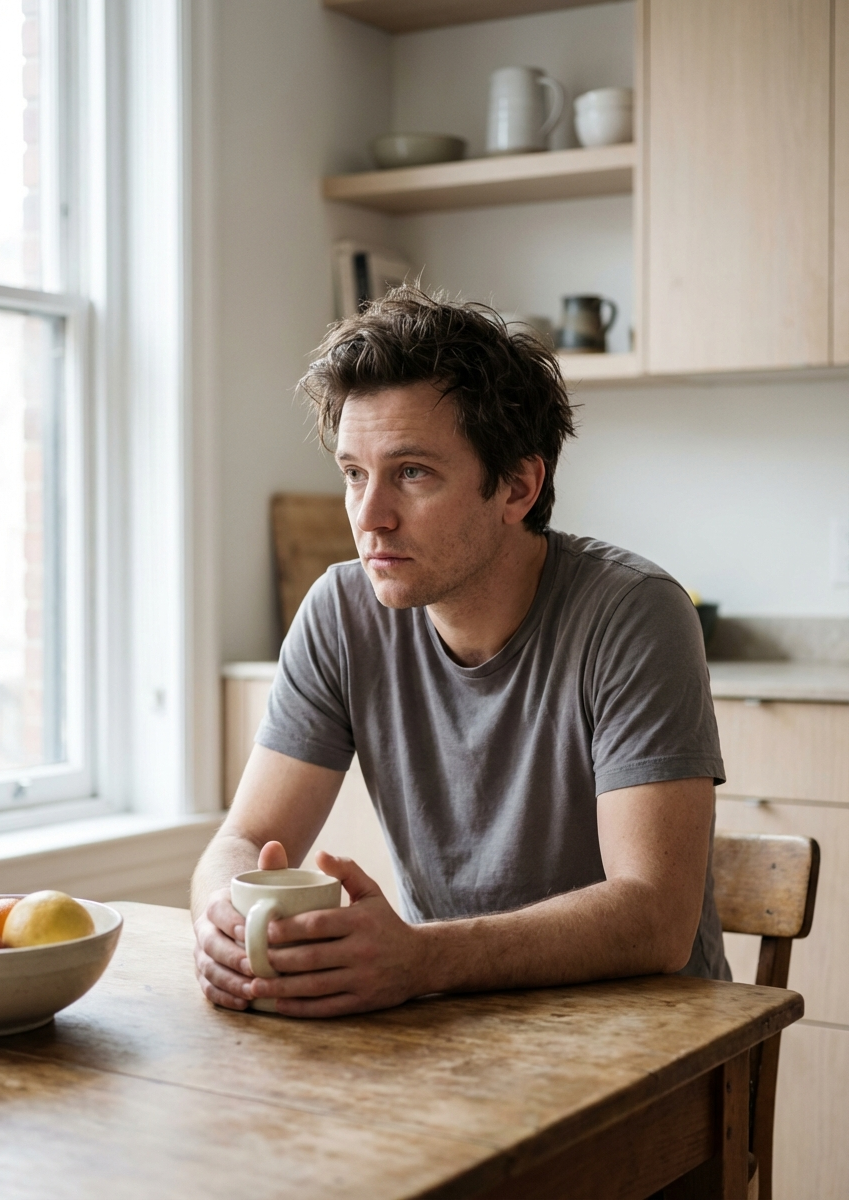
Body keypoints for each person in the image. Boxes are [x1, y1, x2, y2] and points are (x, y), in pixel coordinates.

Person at [191, 287, 729, 1018]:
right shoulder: (341, 613)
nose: (369, 516)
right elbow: (246, 838)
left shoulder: (634, 614)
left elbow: (656, 918)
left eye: (412, 473)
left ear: (517, 485)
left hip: (646, 1037)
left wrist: (422, 958)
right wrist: (223, 916)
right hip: (453, 1019)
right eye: (354, 473)